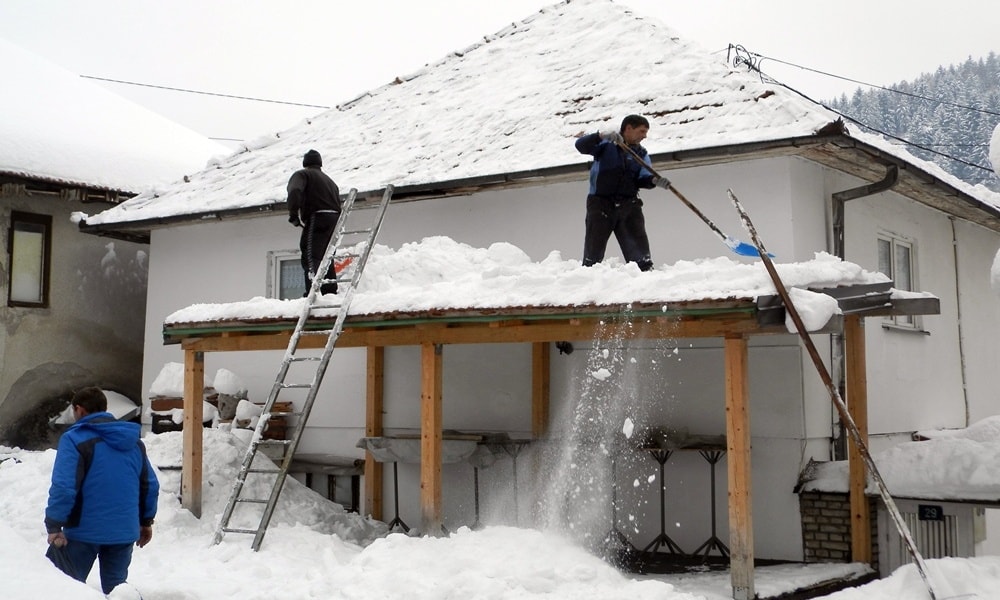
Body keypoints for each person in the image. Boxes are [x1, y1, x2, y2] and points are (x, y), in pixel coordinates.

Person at [44, 386, 159, 595]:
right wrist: (145, 521)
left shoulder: (75, 440)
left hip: (82, 532)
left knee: (65, 588)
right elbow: (150, 485)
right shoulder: (134, 443)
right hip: (124, 531)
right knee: (117, 590)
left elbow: (64, 487)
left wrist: (54, 525)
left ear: (79, 410)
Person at [574, 114, 670, 272]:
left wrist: (654, 181)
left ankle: (645, 274)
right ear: (628, 128)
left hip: (629, 205)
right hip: (600, 204)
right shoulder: (606, 145)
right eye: (642, 131)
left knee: (640, 254)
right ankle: (590, 276)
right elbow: (581, 146)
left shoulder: (641, 153)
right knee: (593, 251)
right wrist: (601, 135)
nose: (645, 136)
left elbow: (643, 177)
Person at [287, 149, 343, 295]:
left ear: (305, 163)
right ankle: (330, 291)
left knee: (311, 254)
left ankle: (314, 290)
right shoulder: (330, 181)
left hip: (317, 217)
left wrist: (293, 213)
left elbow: (294, 191)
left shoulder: (302, 174)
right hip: (335, 220)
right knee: (327, 255)